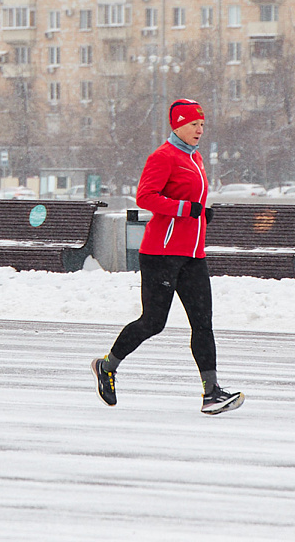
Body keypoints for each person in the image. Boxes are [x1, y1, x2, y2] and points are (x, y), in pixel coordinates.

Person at [91, 99, 245, 415]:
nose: (200, 130)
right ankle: (108, 365)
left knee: (203, 324)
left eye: (202, 125)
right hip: (161, 253)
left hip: (192, 254)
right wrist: (187, 209)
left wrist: (202, 214)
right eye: (193, 125)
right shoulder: (163, 157)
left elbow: (190, 199)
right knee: (153, 322)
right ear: (177, 126)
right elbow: (146, 197)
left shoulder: (195, 157)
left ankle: (211, 392)